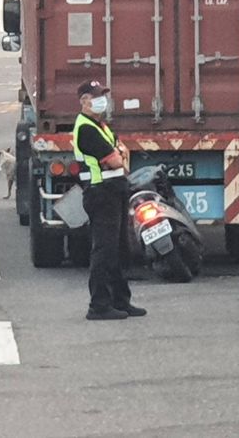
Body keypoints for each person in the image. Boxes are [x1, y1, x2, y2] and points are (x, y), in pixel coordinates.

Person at [72, 80, 146, 320]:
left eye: (103, 95)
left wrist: (120, 155)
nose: (101, 100)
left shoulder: (101, 126)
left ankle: (120, 300)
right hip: (100, 192)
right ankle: (99, 305)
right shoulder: (86, 128)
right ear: (84, 100)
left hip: (114, 190)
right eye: (96, 96)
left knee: (119, 248)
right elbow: (116, 159)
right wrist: (119, 156)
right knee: (104, 250)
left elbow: (123, 152)